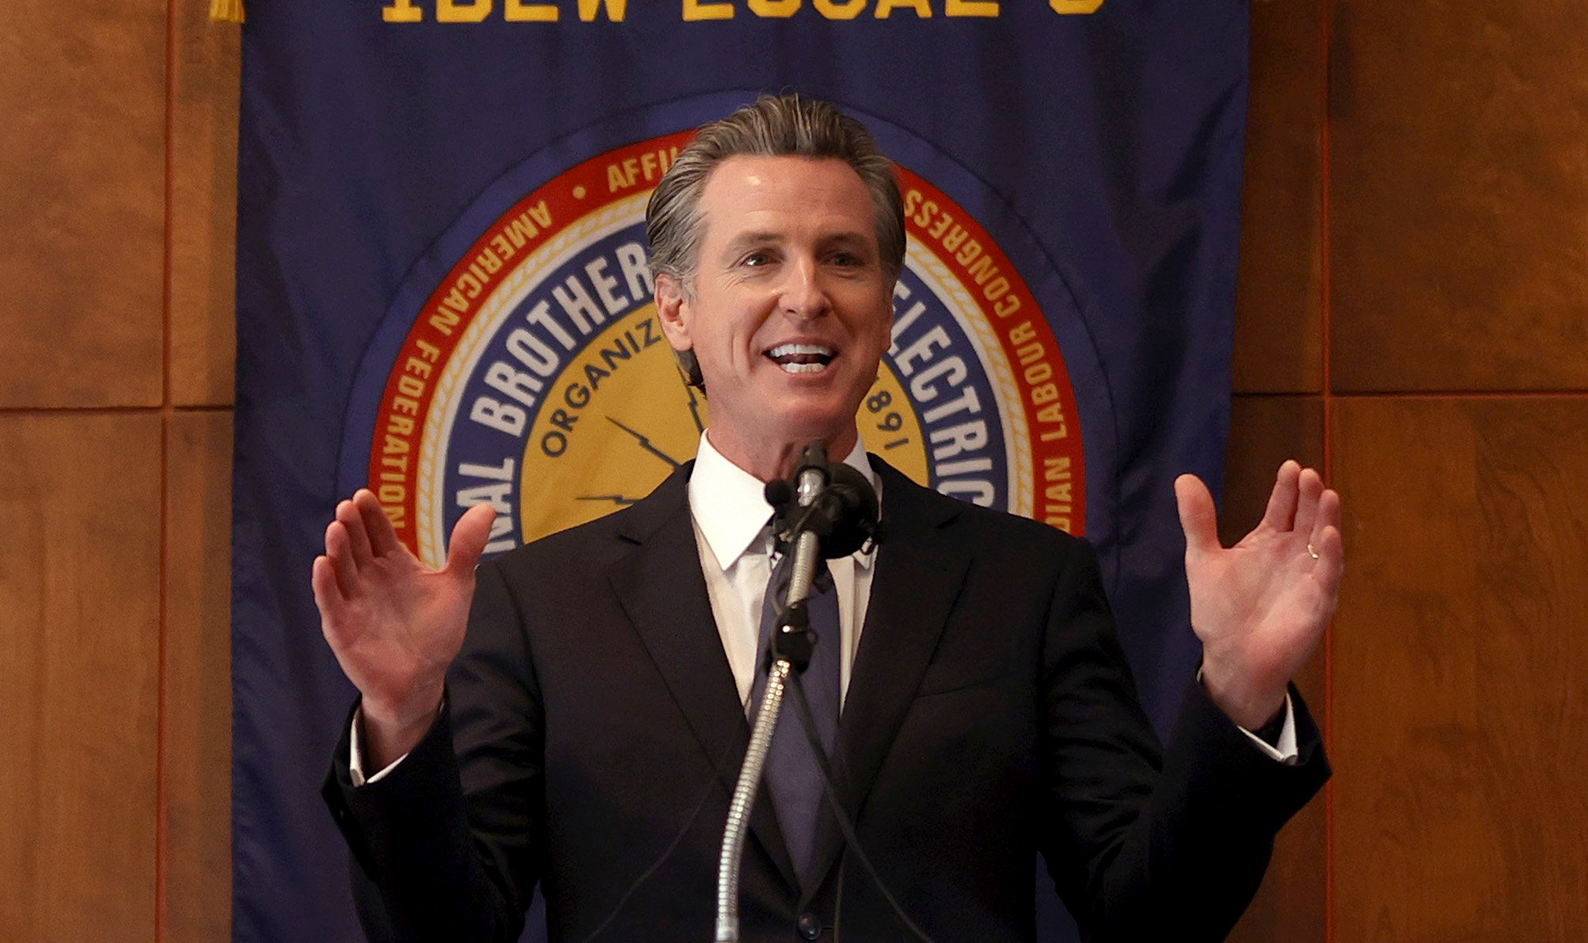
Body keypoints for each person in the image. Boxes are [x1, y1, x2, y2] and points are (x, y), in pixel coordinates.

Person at [315, 94, 1342, 942]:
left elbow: (1149, 918)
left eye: (844, 259)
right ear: (674, 307)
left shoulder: (1024, 587)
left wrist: (1239, 697)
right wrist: (403, 723)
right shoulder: (541, 606)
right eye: (758, 258)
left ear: (888, 301)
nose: (806, 295)